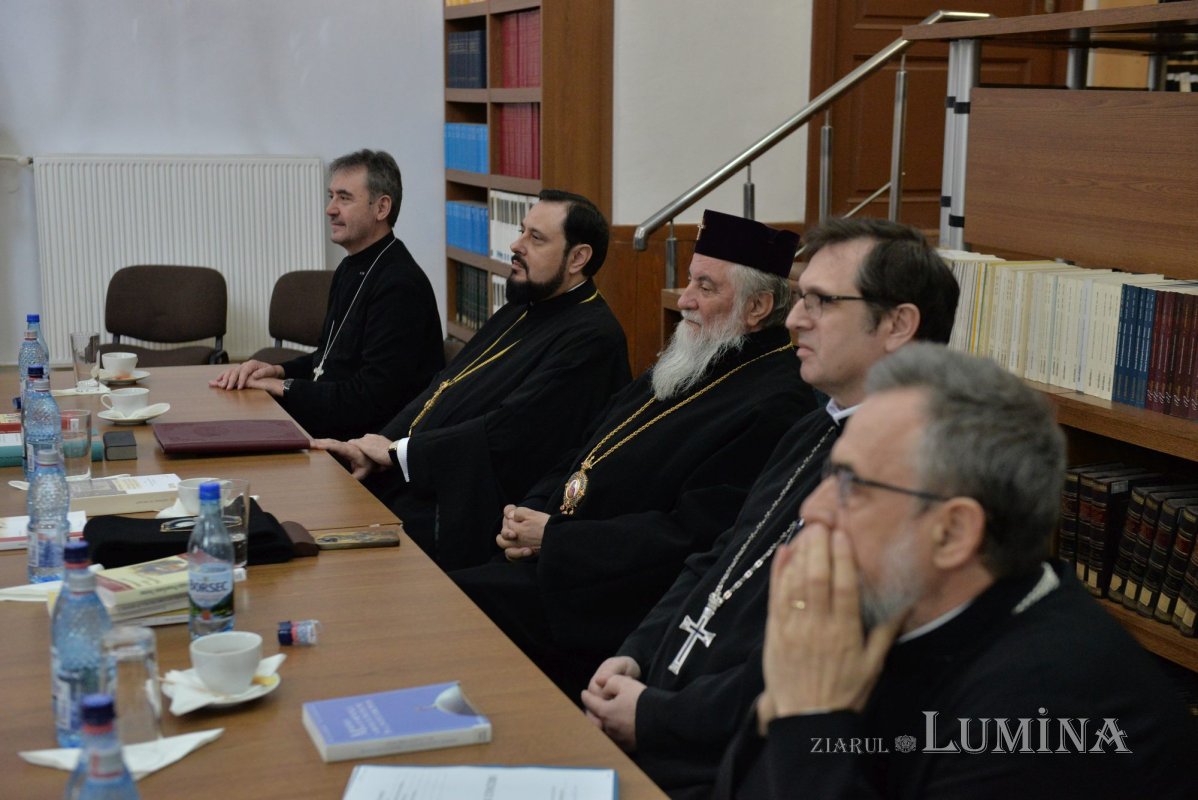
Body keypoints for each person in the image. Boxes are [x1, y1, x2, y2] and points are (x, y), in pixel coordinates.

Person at [581, 217, 960, 800]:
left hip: (741, 765)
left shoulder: (915, 476)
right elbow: (718, 559)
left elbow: (810, 670)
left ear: (897, 324)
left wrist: (655, 717)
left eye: (820, 301)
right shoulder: (817, 425)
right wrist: (635, 654)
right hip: (667, 711)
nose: (793, 318)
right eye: (799, 297)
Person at [714, 345, 1198, 800]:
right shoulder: (889, 603)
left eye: (850, 486)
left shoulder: (1047, 713)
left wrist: (810, 716)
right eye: (829, 475)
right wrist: (782, 694)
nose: (812, 510)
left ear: (952, 533)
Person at [451, 210, 816, 697]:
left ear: (758, 307)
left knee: (449, 607)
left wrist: (556, 541)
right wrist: (532, 510)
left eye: (705, 288)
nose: (684, 299)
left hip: (605, 599)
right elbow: (585, 450)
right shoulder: (692, 356)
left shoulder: (775, 402)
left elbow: (692, 535)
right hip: (553, 558)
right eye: (689, 281)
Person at [312, 189, 631, 570]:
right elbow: (443, 386)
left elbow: (510, 432)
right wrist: (377, 449)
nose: (516, 245)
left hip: (477, 509)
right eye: (521, 231)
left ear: (578, 257)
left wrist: (399, 455)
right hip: (426, 474)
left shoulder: (592, 337)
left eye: (536, 238)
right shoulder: (523, 304)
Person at [210, 149, 444, 440]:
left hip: (363, 446)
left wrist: (285, 389)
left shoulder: (399, 286)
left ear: (381, 208)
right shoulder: (350, 267)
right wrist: (277, 370)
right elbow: (328, 361)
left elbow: (370, 400)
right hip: (332, 422)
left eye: (344, 198)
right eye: (330, 196)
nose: (330, 209)